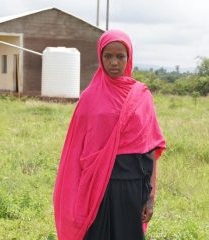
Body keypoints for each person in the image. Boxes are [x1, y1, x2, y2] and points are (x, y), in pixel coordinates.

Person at [53, 29, 166, 240]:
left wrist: (150, 198)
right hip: (96, 188)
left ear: (128, 57)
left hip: (132, 186)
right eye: (108, 56)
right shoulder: (89, 97)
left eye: (120, 56)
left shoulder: (141, 96)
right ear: (100, 57)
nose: (114, 62)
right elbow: (76, 147)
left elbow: (150, 148)